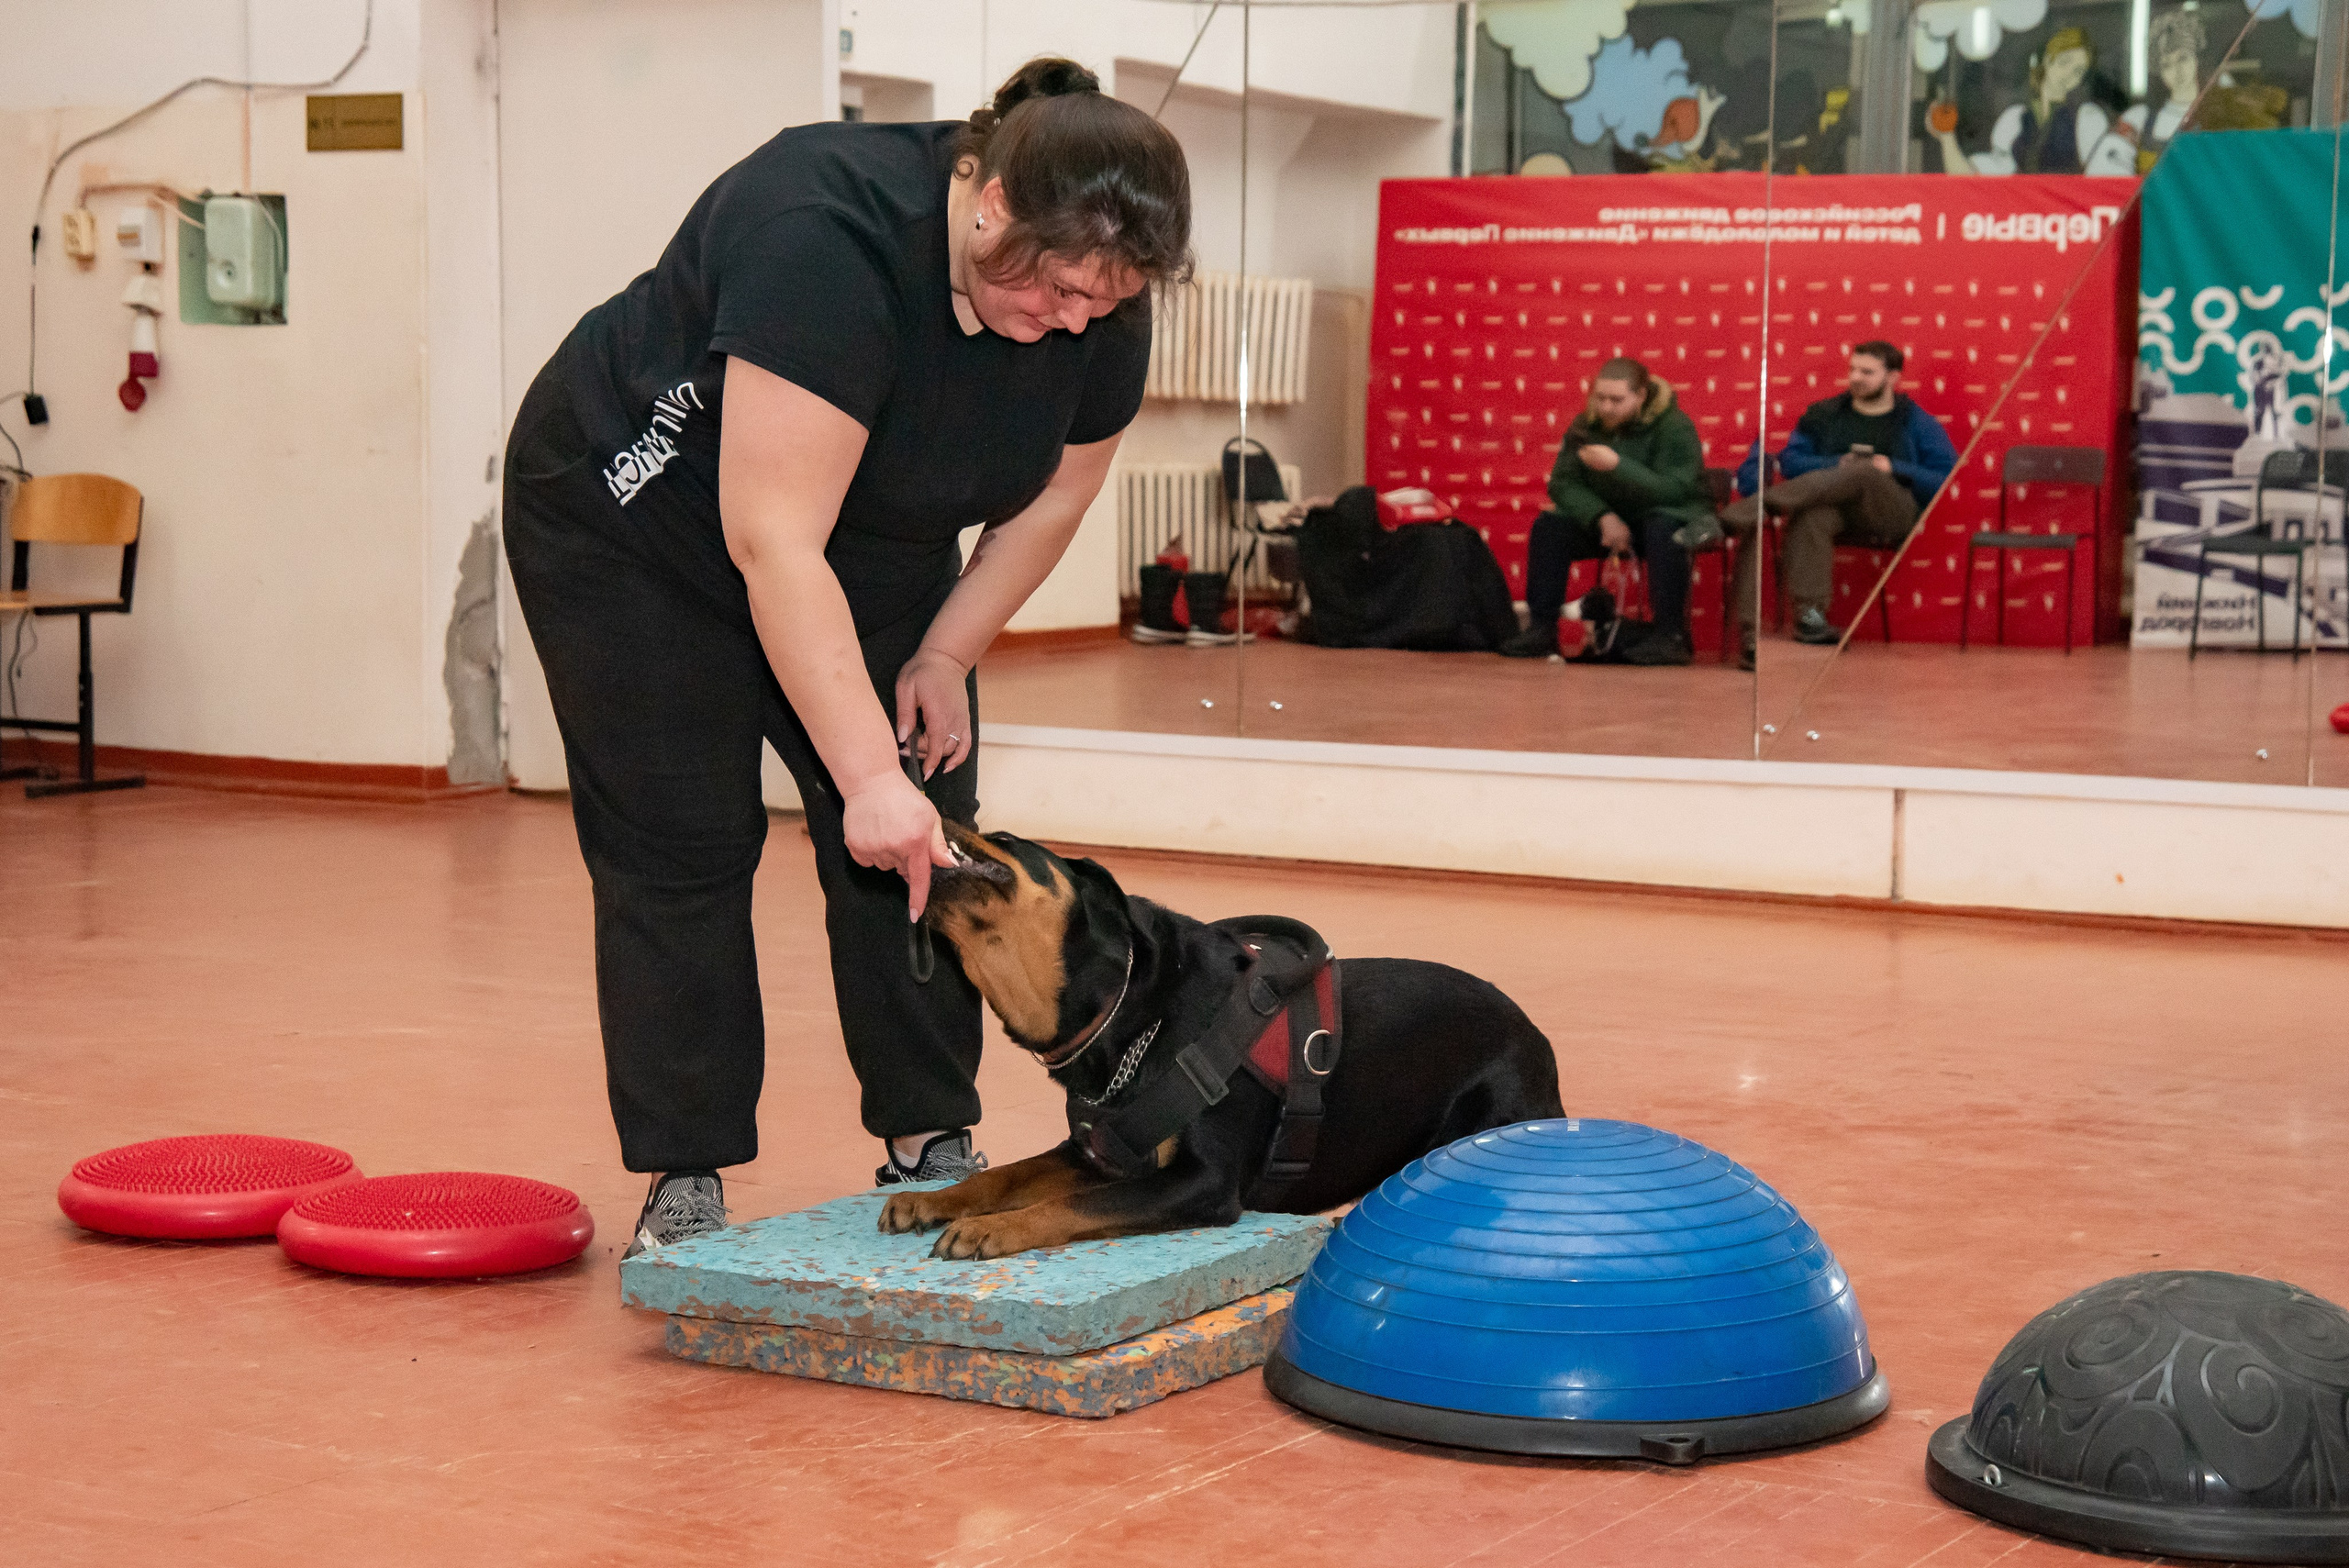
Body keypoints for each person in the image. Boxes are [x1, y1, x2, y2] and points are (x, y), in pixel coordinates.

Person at [501, 60, 1191, 1257]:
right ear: (989, 208)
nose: (1080, 319)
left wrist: (942, 649)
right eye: (1063, 288)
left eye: (1107, 299)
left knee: (927, 835)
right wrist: (863, 774)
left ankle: (930, 1131)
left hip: (863, 547)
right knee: (685, 841)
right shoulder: (821, 238)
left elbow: (1051, 505)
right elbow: (770, 536)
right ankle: (687, 1170)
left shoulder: (1096, 308)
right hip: (639, 531)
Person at [1723, 341, 1955, 664]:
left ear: (1893, 377)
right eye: (1853, 370)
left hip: (1890, 510)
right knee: (1812, 513)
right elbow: (1791, 462)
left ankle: (1748, 511)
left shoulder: (1916, 421)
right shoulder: (1824, 413)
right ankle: (1810, 618)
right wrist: (1836, 465)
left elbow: (1945, 477)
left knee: (1865, 471)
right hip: (1835, 508)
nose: (1856, 377)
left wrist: (1893, 467)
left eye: (1867, 372)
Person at [1499, 358, 1712, 665]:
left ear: (1640, 396)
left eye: (1617, 400)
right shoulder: (1586, 424)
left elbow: (1676, 490)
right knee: (1550, 526)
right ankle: (1542, 629)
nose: (1606, 408)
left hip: (1667, 518)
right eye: (1600, 398)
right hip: (1611, 519)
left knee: (1663, 527)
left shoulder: (1674, 426)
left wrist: (1618, 466)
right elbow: (1562, 484)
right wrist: (1602, 516)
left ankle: (1670, 636)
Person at [1932, 27, 2110, 176]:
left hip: (2069, 215)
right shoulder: (2015, 118)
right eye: (2064, 62)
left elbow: (2101, 182)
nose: (2068, 75)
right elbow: (1971, 180)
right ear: (2048, 59)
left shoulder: (2088, 119)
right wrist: (1946, 135)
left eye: (2078, 71)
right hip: (2023, 214)